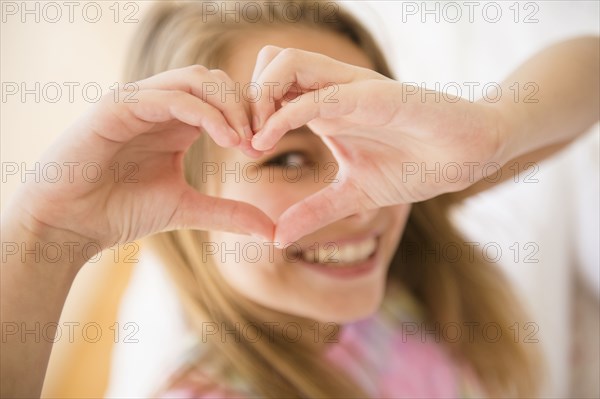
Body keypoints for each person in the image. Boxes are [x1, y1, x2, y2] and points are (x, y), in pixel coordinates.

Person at [1, 1, 598, 397]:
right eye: (287, 158)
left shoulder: (397, 201)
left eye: (365, 139)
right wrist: (45, 237)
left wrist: (492, 134)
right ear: (177, 186)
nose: (356, 201)